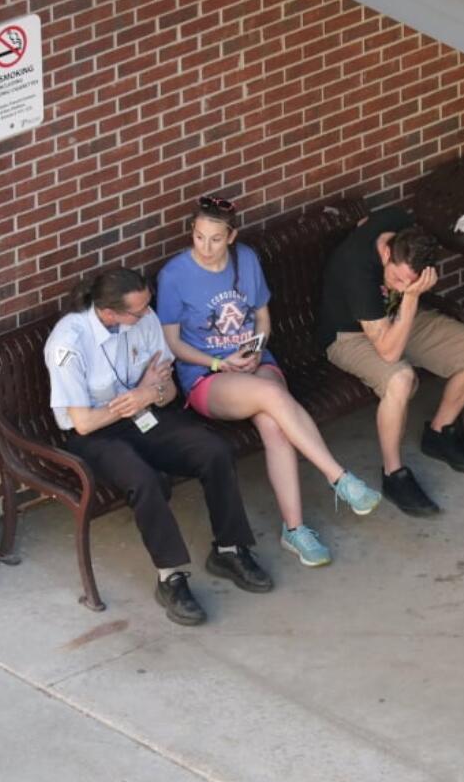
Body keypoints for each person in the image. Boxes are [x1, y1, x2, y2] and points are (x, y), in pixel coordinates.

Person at [156, 195, 381, 569]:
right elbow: (172, 342)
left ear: (231, 236)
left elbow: (262, 316)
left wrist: (257, 348)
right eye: (198, 237)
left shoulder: (246, 259)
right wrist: (218, 360)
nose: (206, 247)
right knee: (271, 395)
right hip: (207, 376)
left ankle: (295, 529)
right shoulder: (174, 275)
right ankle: (337, 476)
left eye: (214, 239)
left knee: (274, 425)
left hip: (255, 361)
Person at [44, 266, 272, 627]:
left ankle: (229, 549)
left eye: (147, 304)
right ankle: (171, 578)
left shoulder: (144, 319)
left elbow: (166, 395)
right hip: (95, 436)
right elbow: (84, 421)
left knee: (213, 450)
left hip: (143, 415)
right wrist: (139, 395)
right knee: (144, 479)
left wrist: (148, 394)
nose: (148, 313)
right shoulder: (68, 343)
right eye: (138, 310)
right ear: (109, 313)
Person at [318, 207, 464, 517]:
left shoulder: (399, 228)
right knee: (399, 378)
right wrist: (411, 298)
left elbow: (364, 221)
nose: (400, 286)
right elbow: (388, 352)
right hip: (348, 336)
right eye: (397, 278)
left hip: (395, 319)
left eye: (410, 282)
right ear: (386, 253)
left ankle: (440, 431)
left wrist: (407, 297)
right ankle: (393, 474)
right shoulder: (358, 269)